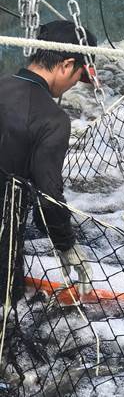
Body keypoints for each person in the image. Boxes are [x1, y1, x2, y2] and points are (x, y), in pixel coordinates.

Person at [0, 20, 96, 307]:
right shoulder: (52, 119)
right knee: (7, 306)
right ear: (67, 64)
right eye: (79, 76)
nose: (74, 84)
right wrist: (66, 245)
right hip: (4, 233)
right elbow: (48, 196)